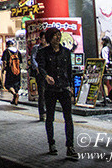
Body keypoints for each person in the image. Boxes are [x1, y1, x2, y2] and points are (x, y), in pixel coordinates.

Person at [36, 27, 77, 159]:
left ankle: (70, 146)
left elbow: (69, 70)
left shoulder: (65, 52)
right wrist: (46, 76)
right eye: (54, 35)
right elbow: (40, 67)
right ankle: (51, 143)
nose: (57, 37)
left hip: (64, 87)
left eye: (59, 35)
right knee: (50, 117)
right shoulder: (43, 52)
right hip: (51, 89)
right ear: (49, 38)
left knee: (68, 118)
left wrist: (71, 87)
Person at [31, 31, 48, 121]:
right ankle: (42, 113)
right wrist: (37, 68)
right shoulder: (36, 48)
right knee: (41, 93)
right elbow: (33, 59)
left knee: (49, 93)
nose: (44, 40)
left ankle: (48, 111)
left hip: (49, 74)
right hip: (40, 74)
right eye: (43, 38)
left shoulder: (50, 48)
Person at [2, 39, 22, 105]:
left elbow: (4, 62)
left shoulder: (6, 51)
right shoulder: (17, 52)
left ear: (7, 45)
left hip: (10, 71)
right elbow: (20, 62)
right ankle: (14, 99)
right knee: (16, 85)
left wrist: (3, 69)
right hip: (18, 71)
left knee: (8, 85)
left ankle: (14, 94)